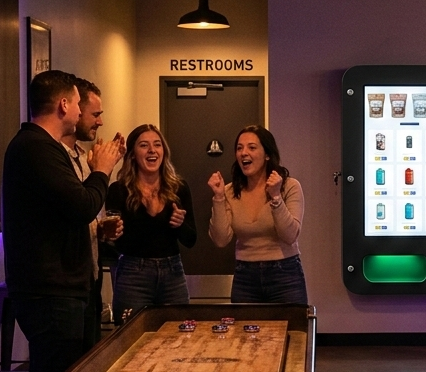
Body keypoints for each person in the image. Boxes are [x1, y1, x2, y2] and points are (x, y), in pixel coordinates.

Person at [2, 69, 123, 372]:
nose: (83, 114)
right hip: (49, 292)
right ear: (64, 104)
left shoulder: (45, 147)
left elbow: (61, 214)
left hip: (63, 289)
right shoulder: (35, 147)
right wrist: (102, 169)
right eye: (79, 106)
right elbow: (82, 205)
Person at [106, 124, 197, 321]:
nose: (152, 150)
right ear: (132, 155)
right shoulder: (118, 190)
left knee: (177, 337)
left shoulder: (178, 188)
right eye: (144, 145)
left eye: (157, 145)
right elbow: (115, 243)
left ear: (164, 151)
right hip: (133, 275)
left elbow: (191, 239)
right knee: (131, 342)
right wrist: (112, 235)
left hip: (172, 274)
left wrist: (180, 224)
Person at [208, 125, 307, 304]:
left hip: (285, 273)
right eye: (239, 148)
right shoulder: (229, 191)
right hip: (245, 276)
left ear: (267, 154)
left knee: (290, 331)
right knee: (243, 332)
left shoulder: (289, 186)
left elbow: (290, 235)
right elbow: (221, 240)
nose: (244, 153)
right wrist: (219, 198)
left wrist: (276, 197)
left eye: (252, 148)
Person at [62, 77, 122, 348]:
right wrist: (103, 169)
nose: (100, 122)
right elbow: (81, 206)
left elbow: (81, 213)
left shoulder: (80, 155)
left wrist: (100, 228)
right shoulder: (55, 156)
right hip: (64, 287)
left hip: (90, 278)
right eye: (95, 114)